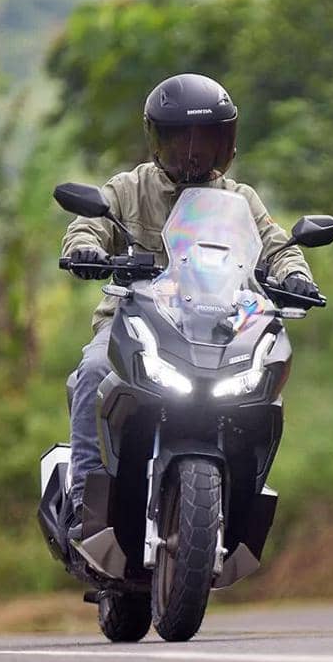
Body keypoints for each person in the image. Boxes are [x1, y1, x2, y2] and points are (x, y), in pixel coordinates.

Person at [60, 72, 318, 547]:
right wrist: (85, 249)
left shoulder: (240, 200)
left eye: (206, 139)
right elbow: (88, 225)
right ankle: (83, 499)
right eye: (181, 140)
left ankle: (240, 502)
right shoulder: (130, 188)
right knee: (94, 371)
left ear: (227, 142)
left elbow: (278, 246)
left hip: (218, 330)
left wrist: (295, 275)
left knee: (264, 389)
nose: (194, 152)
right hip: (135, 325)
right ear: (158, 140)